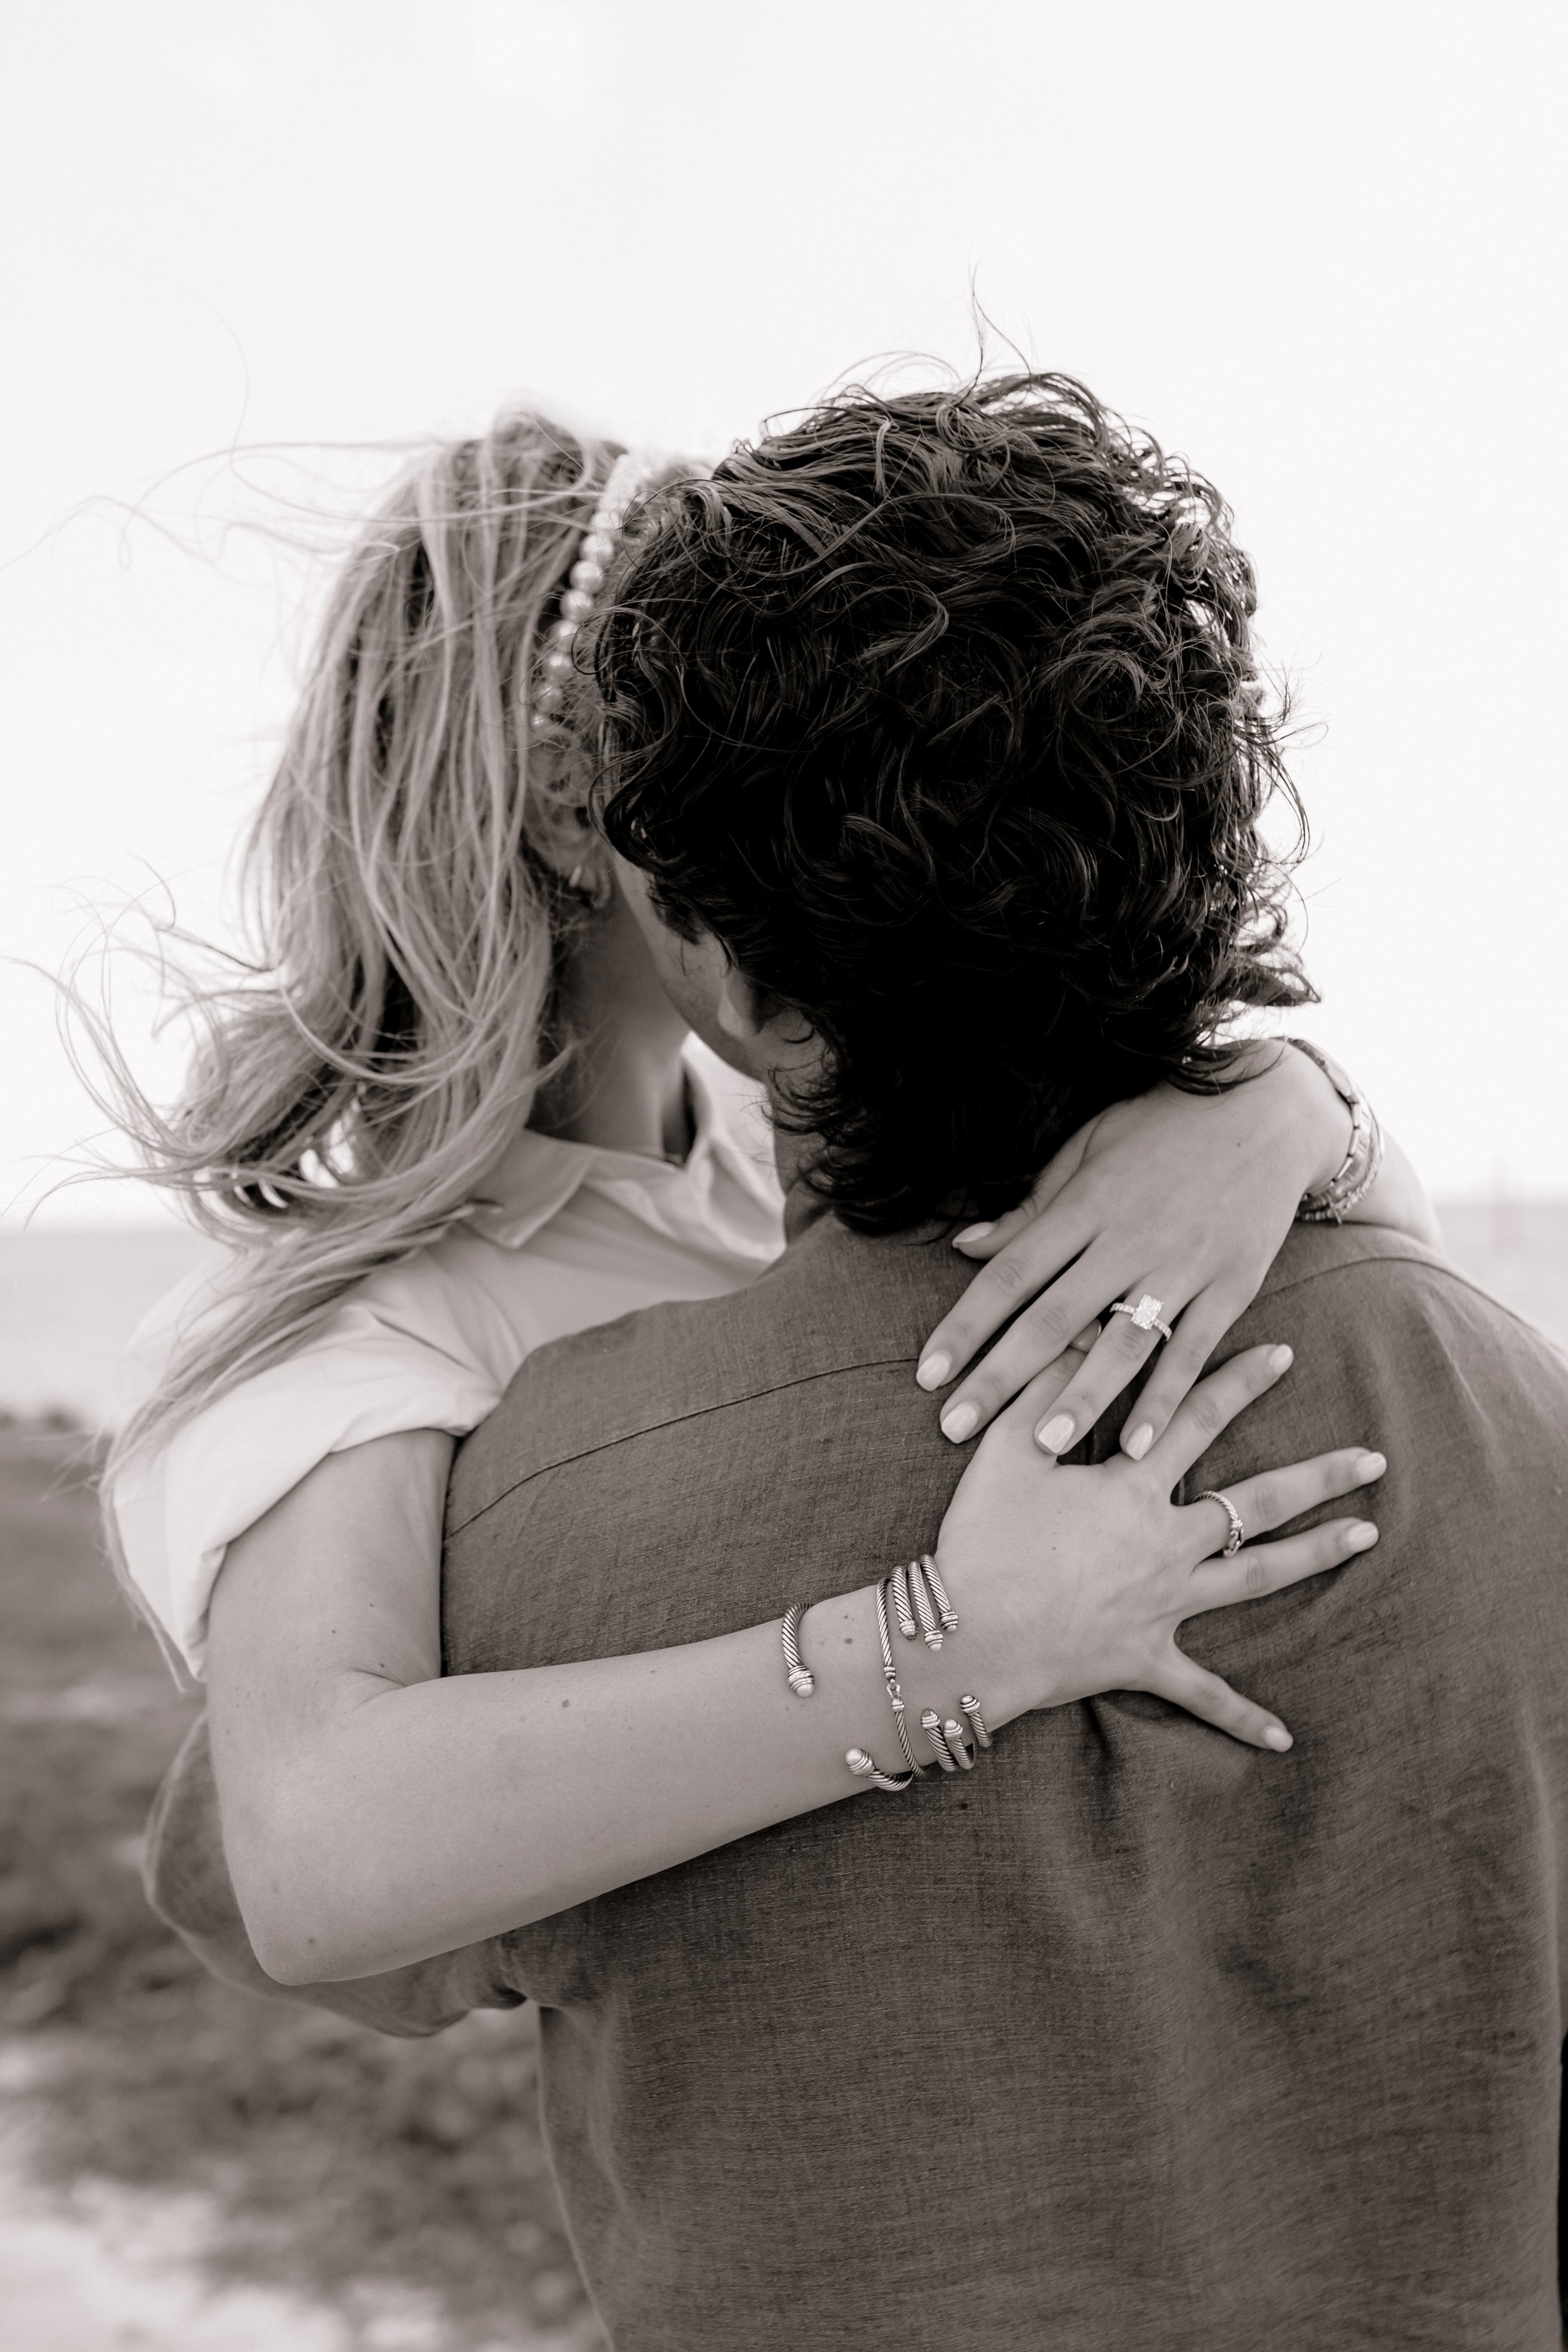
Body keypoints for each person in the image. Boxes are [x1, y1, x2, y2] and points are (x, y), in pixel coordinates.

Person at [145, 373, 1568, 2348]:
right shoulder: (395, 1339)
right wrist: (950, 1642)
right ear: (597, 819)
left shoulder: (617, 1390)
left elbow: (306, 1925)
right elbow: (302, 1862)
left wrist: (1287, 1112)